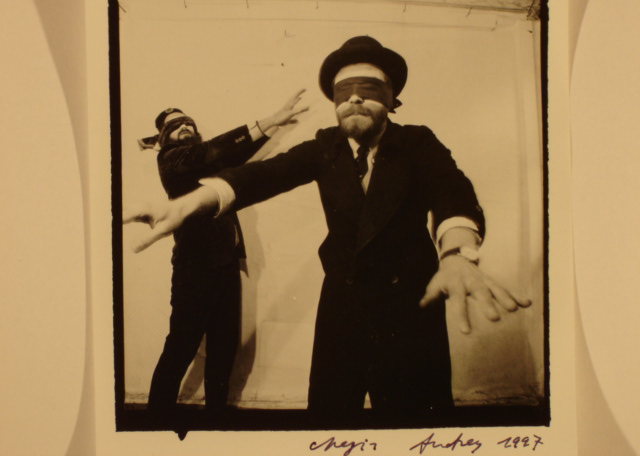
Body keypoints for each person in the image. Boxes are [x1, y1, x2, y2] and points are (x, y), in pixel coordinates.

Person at [124, 36, 531, 425]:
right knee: (331, 420)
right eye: (342, 91)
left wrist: (457, 253)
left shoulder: (417, 142)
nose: (354, 98)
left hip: (410, 308)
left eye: (368, 88)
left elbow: (451, 189)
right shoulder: (324, 146)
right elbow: (262, 176)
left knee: (415, 421)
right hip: (342, 309)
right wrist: (193, 201)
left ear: (391, 98)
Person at [136, 91, 307, 428]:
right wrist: (268, 122)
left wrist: (272, 126)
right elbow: (215, 150)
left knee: (224, 348)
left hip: (226, 267)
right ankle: (155, 420)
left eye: (188, 123)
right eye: (174, 126)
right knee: (181, 346)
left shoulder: (207, 164)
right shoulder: (171, 159)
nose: (184, 127)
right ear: (162, 139)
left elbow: (231, 154)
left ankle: (217, 419)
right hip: (193, 270)